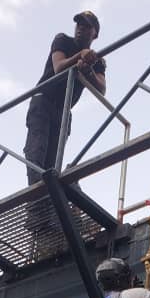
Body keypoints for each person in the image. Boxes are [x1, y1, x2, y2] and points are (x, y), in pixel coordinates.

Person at [24, 11, 106, 186]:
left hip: (63, 111)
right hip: (43, 101)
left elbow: (101, 89)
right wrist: (79, 57)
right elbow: (59, 67)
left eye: (86, 27)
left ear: (95, 34)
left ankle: (47, 200)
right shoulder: (63, 40)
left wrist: (88, 69)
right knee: (36, 152)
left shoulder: (96, 60)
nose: (80, 29)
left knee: (52, 163)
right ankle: (35, 198)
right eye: (79, 25)